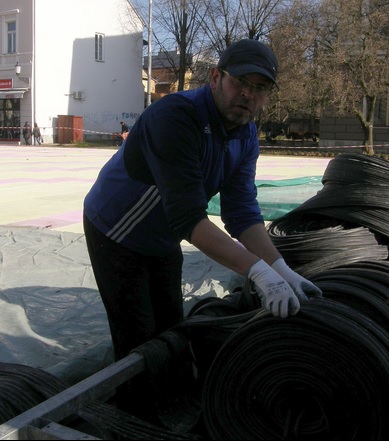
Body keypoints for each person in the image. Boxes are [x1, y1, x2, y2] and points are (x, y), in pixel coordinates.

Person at [83, 39, 322, 421]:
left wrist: (282, 270)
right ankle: (133, 421)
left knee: (170, 327)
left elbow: (242, 213)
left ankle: (174, 410)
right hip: (116, 229)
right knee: (138, 337)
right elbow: (189, 218)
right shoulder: (175, 117)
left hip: (164, 234)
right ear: (215, 77)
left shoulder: (245, 135)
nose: (248, 93)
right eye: (240, 81)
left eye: (260, 88)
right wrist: (258, 273)